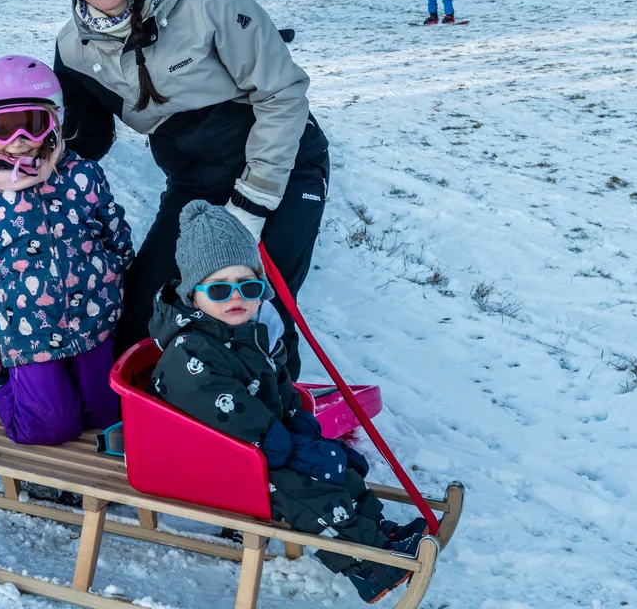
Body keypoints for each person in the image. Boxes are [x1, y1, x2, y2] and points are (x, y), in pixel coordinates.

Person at [44, 0, 329, 379]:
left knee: (255, 312)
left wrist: (253, 202)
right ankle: (155, 422)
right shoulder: (74, 50)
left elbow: (282, 93)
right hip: (194, 183)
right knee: (141, 314)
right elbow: (91, 139)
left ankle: (269, 431)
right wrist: (34, 151)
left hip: (282, 167)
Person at [149, 201, 428, 604]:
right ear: (193, 294)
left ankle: (376, 532)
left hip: (255, 448)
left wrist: (302, 429)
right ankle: (368, 565)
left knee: (340, 467)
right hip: (216, 460)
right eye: (220, 288)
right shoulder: (192, 353)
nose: (236, 298)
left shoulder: (249, 333)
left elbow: (278, 391)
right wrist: (291, 448)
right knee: (303, 490)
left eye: (249, 286)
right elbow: (229, 415)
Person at [0, 55, 134, 445]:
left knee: (105, 413)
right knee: (52, 425)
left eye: (31, 123)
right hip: (28, 334)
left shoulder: (83, 176)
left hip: (93, 320)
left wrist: (122, 282)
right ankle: (10, 396)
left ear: (54, 121)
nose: (17, 139)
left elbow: (115, 233)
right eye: (1, 127)